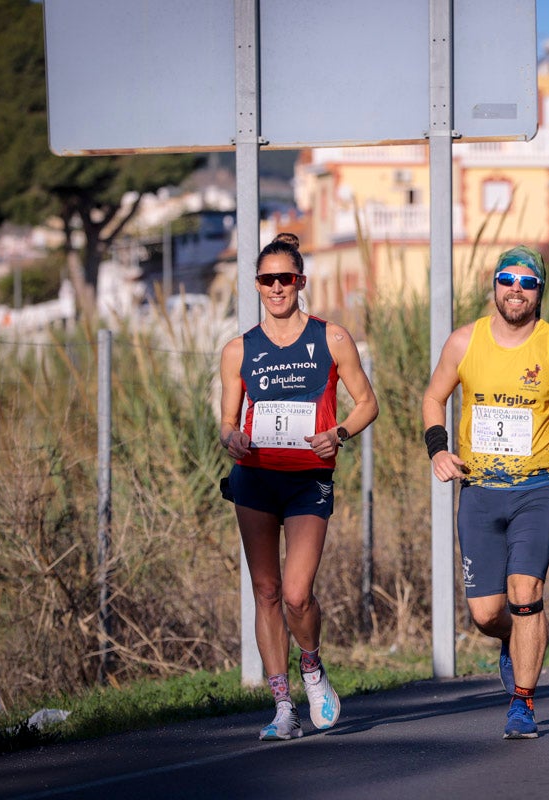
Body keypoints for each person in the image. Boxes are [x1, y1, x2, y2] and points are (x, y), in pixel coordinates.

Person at [422, 245, 549, 740]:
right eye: (507, 280)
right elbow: (434, 397)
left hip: (538, 490)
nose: (516, 290)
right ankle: (517, 639)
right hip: (479, 491)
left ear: (540, 291)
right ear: (494, 286)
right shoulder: (464, 341)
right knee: (486, 614)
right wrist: (438, 449)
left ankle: (522, 704)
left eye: (527, 282)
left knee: (526, 595)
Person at [219, 233, 380, 741]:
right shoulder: (238, 349)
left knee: (295, 593)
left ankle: (312, 669)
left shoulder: (331, 338)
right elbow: (227, 420)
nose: (276, 288)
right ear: (257, 285)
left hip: (309, 480)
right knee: (265, 591)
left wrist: (340, 433)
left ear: (301, 282)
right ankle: (282, 706)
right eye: (267, 280)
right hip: (256, 480)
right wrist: (232, 439)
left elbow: (367, 403)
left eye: (285, 278)